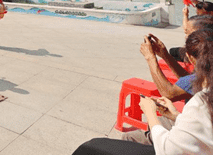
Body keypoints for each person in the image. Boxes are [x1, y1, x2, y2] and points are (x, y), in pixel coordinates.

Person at [73, 28, 213, 155]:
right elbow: (188, 82)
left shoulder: (201, 102)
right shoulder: (206, 81)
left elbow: (168, 148)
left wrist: (150, 112)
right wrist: (176, 115)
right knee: (161, 121)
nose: (184, 32)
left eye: (187, 32)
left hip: (173, 145)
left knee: (110, 142)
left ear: (191, 57)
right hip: (187, 123)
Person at [123, 14, 213, 144]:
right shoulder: (206, 65)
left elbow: (169, 93)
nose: (186, 38)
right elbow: (188, 81)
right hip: (189, 119)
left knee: (129, 137)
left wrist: (150, 58)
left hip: (195, 129)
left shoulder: (206, 77)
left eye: (188, 34)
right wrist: (165, 55)